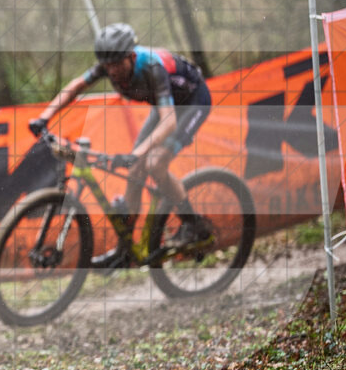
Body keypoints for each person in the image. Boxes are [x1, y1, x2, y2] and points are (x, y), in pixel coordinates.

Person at [28, 22, 212, 267]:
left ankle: (193, 223)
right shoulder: (108, 65)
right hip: (165, 107)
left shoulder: (152, 67)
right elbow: (75, 86)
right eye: (107, 65)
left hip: (193, 103)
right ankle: (126, 251)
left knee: (155, 164)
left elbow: (169, 122)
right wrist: (44, 117)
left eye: (117, 63)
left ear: (131, 56)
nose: (112, 70)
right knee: (135, 170)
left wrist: (138, 152)